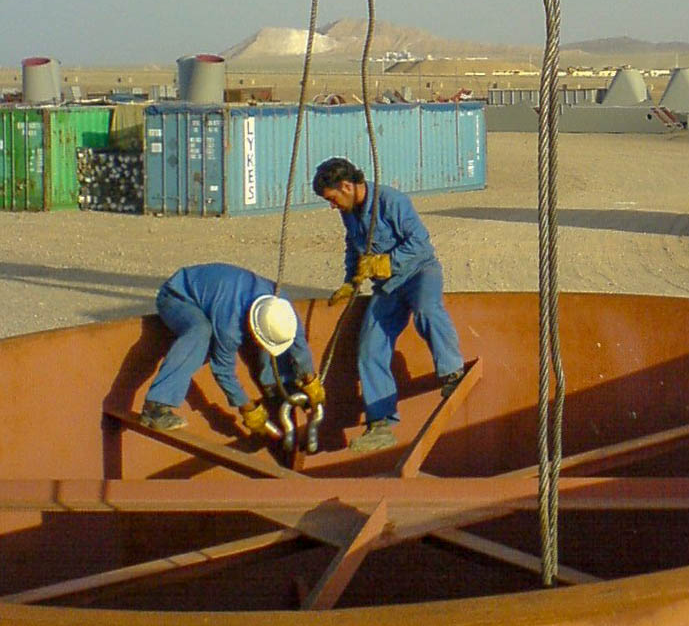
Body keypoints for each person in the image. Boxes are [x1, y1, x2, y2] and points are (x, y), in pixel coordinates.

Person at [312, 156, 466, 450]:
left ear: (346, 186)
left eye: (332, 199)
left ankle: (451, 372)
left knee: (426, 309)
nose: (332, 206)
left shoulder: (392, 201)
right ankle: (381, 423)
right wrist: (351, 279)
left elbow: (420, 243)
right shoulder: (350, 212)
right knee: (370, 349)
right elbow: (353, 245)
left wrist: (388, 261)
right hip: (389, 288)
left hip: (419, 272)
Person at [140, 263, 319, 435]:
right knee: (201, 333)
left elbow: (297, 341)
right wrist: (247, 408)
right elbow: (223, 371)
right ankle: (156, 406)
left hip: (219, 292)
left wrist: (310, 380)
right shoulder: (229, 327)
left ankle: (277, 384)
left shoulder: (280, 303)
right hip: (177, 295)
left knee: (273, 339)